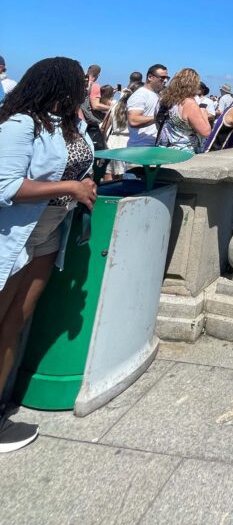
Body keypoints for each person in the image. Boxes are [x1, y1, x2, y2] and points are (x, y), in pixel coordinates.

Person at [0, 57, 97, 452]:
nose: (83, 91)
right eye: (78, 84)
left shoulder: (72, 125)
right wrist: (73, 189)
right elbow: (4, 185)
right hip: (15, 236)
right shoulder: (21, 124)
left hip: (49, 234)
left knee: (13, 324)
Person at [156, 69, 212, 153]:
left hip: (162, 149)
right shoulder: (189, 103)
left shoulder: (162, 99)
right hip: (182, 154)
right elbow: (205, 132)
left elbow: (157, 120)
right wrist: (203, 111)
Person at [126, 64, 168, 147]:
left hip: (153, 145)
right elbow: (134, 120)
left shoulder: (156, 95)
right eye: (162, 78)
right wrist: (160, 117)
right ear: (150, 77)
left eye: (167, 78)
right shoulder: (140, 95)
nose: (165, 80)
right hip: (140, 147)